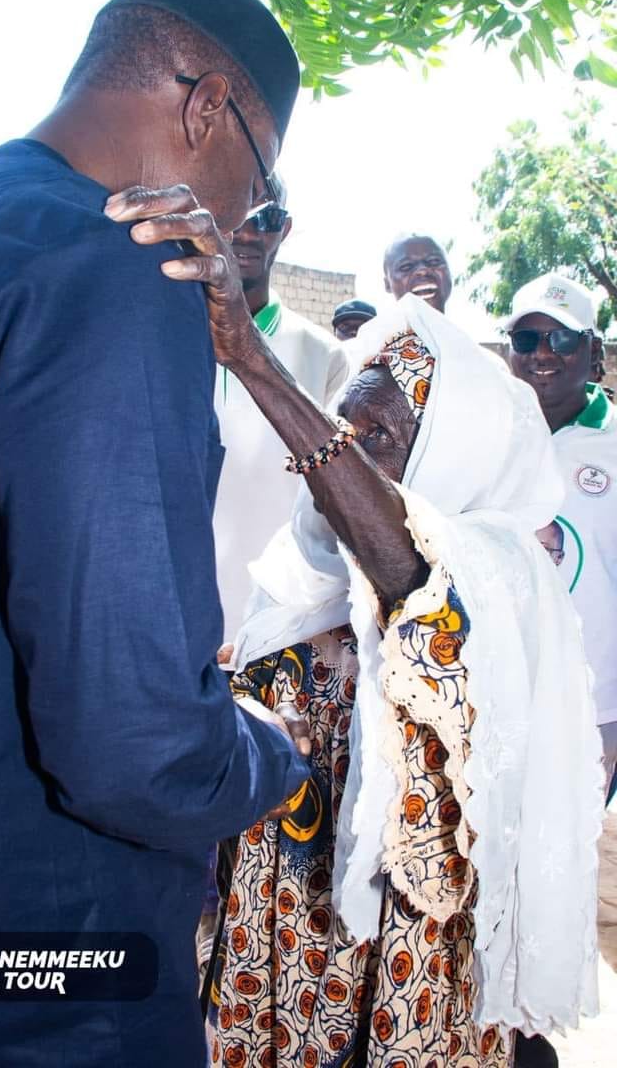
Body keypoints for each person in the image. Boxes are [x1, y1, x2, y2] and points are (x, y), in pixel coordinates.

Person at [0, 0, 313, 1066]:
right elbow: (135, 750)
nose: (240, 223)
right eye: (261, 189)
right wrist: (268, 754)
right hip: (57, 972)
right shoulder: (124, 265)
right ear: (208, 108)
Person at [110, 189, 601, 1064]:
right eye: (348, 423)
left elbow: (419, 582)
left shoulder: (496, 571)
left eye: (380, 433)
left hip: (400, 973)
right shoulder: (306, 573)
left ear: (448, 450)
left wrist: (253, 362)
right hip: (278, 944)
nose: (347, 444)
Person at [215, 176, 350, 642]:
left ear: (284, 229)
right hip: (165, 614)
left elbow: (335, 504)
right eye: (240, 215)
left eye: (266, 219)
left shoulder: (325, 357)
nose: (248, 233)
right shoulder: (161, 337)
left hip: (274, 624)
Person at [506, 273, 617, 789]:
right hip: (498, 700)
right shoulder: (488, 436)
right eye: (527, 339)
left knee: (567, 864)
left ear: (593, 352)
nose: (542, 354)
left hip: (594, 714)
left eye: (563, 338)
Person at [383, 232, 453, 313]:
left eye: (434, 261)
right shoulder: (375, 326)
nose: (422, 270)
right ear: (387, 284)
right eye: (406, 266)